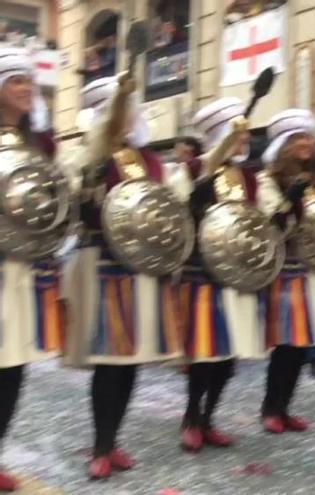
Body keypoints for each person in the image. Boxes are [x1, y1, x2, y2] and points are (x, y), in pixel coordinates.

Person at [64, 74, 184, 479]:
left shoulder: (150, 160)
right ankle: (100, 445)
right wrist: (89, 188)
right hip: (103, 265)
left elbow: (163, 211)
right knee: (107, 362)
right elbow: (74, 209)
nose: (131, 118)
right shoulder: (87, 156)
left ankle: (114, 441)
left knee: (130, 362)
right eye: (123, 111)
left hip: (143, 268)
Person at [169, 97, 266, 452]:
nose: (245, 139)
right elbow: (171, 217)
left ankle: (210, 417)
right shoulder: (192, 169)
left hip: (239, 275)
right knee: (204, 353)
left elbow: (259, 222)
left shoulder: (249, 178)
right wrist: (193, 203)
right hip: (203, 274)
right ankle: (191, 417)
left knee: (228, 356)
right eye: (237, 133)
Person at [0, 47, 65, 493]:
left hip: (24, 270)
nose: (27, 89)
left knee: (12, 371)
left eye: (29, 80)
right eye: (16, 80)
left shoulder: (40, 144)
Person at [257, 108, 315, 431]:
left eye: (308, 136)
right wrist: (287, 203)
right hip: (285, 272)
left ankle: (284, 408)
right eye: (298, 138)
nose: (306, 143)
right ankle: (270, 409)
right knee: (286, 345)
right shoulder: (269, 180)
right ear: (283, 145)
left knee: (302, 346)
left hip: (312, 270)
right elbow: (269, 225)